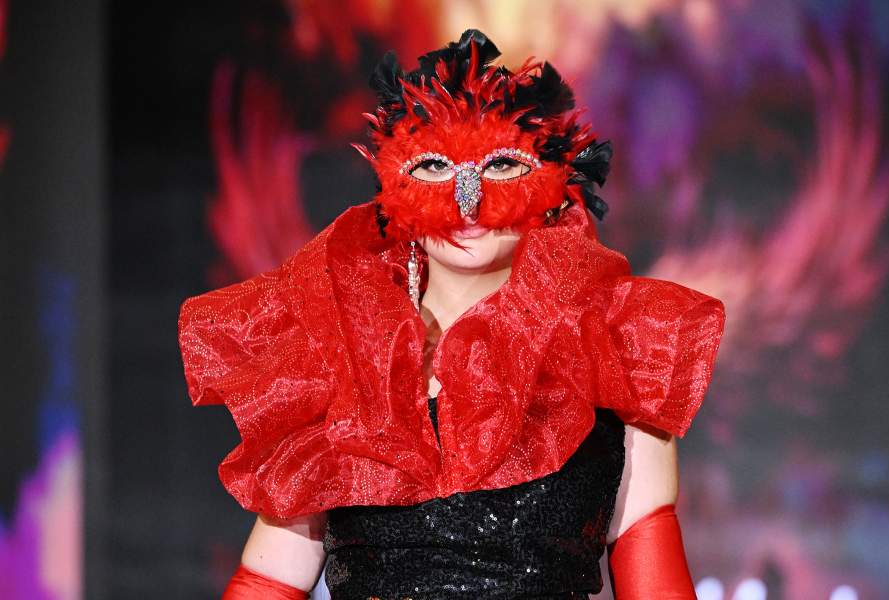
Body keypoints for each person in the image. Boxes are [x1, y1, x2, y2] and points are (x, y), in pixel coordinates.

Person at [177, 29, 726, 599]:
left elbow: (654, 579)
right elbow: (270, 579)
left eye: (502, 166)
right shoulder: (338, 368)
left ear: (554, 184)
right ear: (393, 186)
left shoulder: (621, 367)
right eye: (435, 167)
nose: (469, 198)